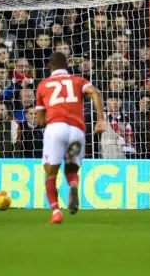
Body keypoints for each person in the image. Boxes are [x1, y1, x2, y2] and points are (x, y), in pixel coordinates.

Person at [35, 52, 105, 224]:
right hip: (77, 130)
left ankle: (56, 212)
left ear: (49, 67)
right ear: (67, 66)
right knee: (72, 170)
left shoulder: (43, 85)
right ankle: (73, 186)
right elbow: (95, 93)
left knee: (51, 174)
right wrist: (101, 120)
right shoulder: (78, 80)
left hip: (55, 128)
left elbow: (41, 120)